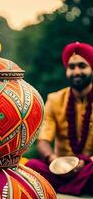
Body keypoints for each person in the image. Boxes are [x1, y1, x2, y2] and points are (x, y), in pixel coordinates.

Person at [26, 42, 93, 196]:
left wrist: (86, 162)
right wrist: (53, 161)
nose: (76, 71)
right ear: (66, 70)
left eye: (82, 66)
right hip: (59, 171)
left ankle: (71, 186)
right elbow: (43, 140)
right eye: (71, 67)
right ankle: (74, 186)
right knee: (31, 165)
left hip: (89, 167)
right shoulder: (54, 99)